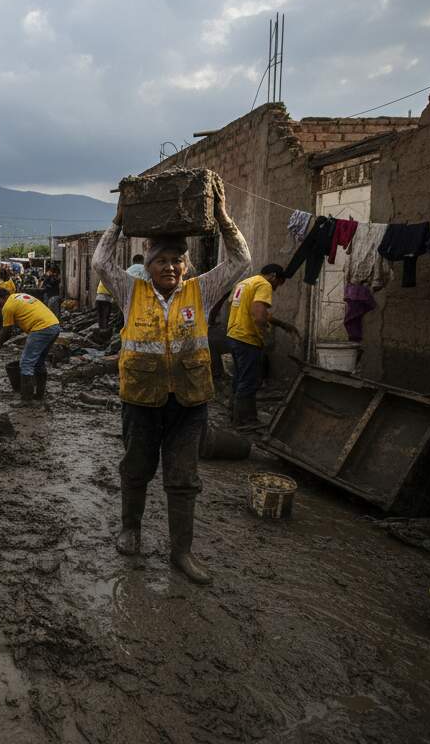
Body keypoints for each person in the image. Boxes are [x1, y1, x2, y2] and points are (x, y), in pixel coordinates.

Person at [94, 183, 249, 584]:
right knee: (136, 468)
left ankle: (182, 552)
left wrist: (224, 220)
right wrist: (117, 221)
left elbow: (241, 260)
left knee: (183, 478)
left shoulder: (202, 290)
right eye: (161, 260)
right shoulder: (131, 291)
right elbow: (99, 263)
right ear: (148, 265)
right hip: (141, 400)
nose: (170, 267)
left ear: (186, 265)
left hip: (189, 403)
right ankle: (131, 529)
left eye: (176, 261)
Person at [225, 264, 298, 426]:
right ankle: (245, 420)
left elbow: (249, 309)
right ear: (272, 276)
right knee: (250, 380)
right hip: (247, 338)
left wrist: (282, 324)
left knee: (239, 377)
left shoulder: (245, 283)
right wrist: (265, 338)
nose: (276, 288)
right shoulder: (264, 285)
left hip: (234, 335)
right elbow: (259, 314)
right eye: (278, 283)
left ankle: (233, 414)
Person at [0, 290, 61, 403]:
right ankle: (39, 394)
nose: (0, 306)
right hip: (54, 325)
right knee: (39, 361)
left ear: (0, 299)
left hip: (41, 328)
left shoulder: (7, 307)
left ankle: (26, 400)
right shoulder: (20, 296)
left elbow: (7, 331)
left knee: (25, 363)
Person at [0, 267, 16, 334]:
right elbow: (14, 290)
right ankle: (3, 331)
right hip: (4, 303)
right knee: (3, 318)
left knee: (1, 318)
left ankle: (3, 331)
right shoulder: (10, 282)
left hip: (3, 303)